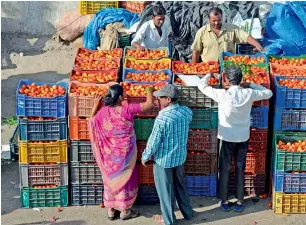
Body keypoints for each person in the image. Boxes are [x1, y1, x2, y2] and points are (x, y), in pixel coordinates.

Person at [197, 65, 272, 212]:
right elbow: (268, 93)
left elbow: (202, 86)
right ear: (241, 79)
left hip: (226, 137)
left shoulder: (222, 94)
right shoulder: (248, 93)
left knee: (225, 168)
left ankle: (224, 200)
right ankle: (239, 200)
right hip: (243, 137)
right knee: (240, 168)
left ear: (226, 79)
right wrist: (249, 84)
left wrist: (209, 75)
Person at [89, 84, 155, 220]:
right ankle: (124, 211)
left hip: (109, 154)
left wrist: (96, 105)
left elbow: (92, 122)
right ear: (120, 97)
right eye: (123, 94)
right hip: (125, 153)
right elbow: (149, 104)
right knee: (126, 177)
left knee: (110, 178)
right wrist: (149, 90)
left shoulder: (103, 111)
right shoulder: (127, 109)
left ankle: (111, 211)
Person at [141, 84, 194, 225]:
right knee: (181, 186)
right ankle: (188, 213)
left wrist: (146, 156)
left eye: (160, 97)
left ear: (168, 99)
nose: (158, 99)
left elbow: (154, 141)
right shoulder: (186, 112)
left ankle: (168, 220)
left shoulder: (162, 118)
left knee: (166, 192)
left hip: (164, 161)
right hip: (180, 157)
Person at [191, 7, 264, 63]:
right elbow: (196, 53)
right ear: (209, 19)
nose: (216, 23)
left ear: (222, 17)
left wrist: (258, 46)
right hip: (209, 68)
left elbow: (245, 36)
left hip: (228, 66)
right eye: (214, 21)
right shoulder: (202, 32)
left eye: (219, 20)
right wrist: (194, 70)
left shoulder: (231, 28)